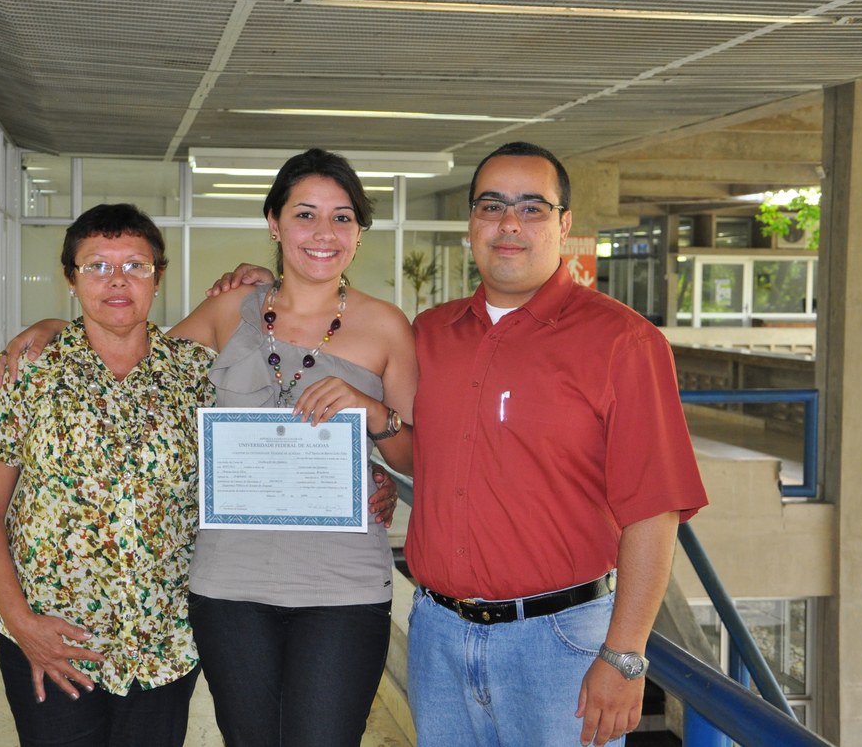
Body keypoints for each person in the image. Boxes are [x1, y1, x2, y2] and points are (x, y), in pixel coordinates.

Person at [210, 140, 709, 747]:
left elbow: (655, 510)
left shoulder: (623, 343)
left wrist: (625, 654)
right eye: (492, 205)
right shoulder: (433, 333)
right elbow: (416, 446)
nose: (509, 225)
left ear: (564, 223)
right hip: (439, 636)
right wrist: (370, 454)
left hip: (559, 644)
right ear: (472, 221)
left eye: (532, 208)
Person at [0, 148, 417, 746]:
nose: (324, 233)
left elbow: (415, 460)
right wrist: (54, 329)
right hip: (229, 585)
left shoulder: (388, 326)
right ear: (274, 222)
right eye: (305, 214)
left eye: (342, 217)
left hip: (340, 585)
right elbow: (140, 351)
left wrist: (374, 418)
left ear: (358, 231)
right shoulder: (229, 311)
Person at [0, 203, 215, 746]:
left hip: (163, 642)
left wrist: (362, 479)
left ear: (159, 277)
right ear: (71, 280)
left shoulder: (197, 376)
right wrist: (23, 625)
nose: (117, 280)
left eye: (135, 265)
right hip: (51, 639)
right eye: (97, 265)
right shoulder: (29, 370)